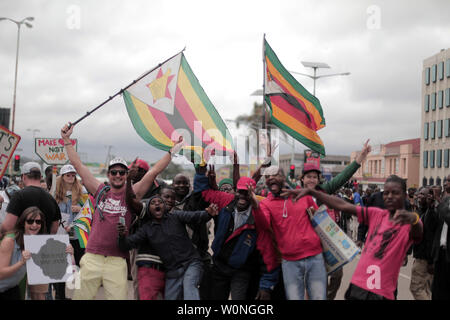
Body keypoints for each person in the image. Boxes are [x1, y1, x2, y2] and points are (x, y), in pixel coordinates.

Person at [60, 122, 184, 300]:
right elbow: (78, 165)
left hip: (117, 261)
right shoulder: (100, 190)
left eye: (121, 172)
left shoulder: (132, 194)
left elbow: (153, 172)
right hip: (92, 256)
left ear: (126, 175)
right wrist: (66, 139)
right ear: (109, 175)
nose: (118, 175)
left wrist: (173, 151)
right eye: (114, 172)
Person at [288, 175, 423, 300]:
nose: (389, 196)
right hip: (358, 286)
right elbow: (343, 205)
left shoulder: (410, 223)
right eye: (386, 193)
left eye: (395, 193)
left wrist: (414, 219)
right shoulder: (377, 214)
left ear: (404, 195)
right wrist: (313, 193)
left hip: (381, 292)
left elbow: (419, 233)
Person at [194, 164, 279, 300]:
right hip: (220, 265)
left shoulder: (260, 212)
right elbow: (203, 192)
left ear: (252, 194)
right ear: (235, 191)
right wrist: (200, 171)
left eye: (247, 193)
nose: (242, 196)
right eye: (240, 191)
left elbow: (267, 244)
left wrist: (266, 285)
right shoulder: (226, 200)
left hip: (242, 270)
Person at [118, 195, 219, 300]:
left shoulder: (176, 216)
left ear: (165, 207)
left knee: (189, 288)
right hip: (173, 272)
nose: (157, 204)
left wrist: (208, 213)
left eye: (160, 202)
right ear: (148, 210)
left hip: (192, 264)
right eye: (153, 203)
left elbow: (195, 216)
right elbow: (126, 245)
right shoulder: (146, 230)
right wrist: (121, 236)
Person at [0, 207, 73, 300]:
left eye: (38, 222)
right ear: (23, 223)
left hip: (12, 288)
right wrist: (21, 263)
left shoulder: (37, 243)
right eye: (30, 221)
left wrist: (68, 252)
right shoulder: (10, 241)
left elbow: (55, 265)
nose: (34, 225)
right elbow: (1, 274)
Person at [52, 164, 89, 299]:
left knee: (80, 265)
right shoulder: (55, 192)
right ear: (62, 177)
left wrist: (80, 210)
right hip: (60, 234)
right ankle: (60, 296)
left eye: (73, 175)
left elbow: (90, 211)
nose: (71, 177)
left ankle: (79, 295)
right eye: (68, 175)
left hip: (78, 235)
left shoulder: (82, 191)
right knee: (61, 267)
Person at [1, 162, 61, 238]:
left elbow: (8, 226)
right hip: (44, 245)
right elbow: (54, 229)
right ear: (41, 177)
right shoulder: (51, 198)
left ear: (23, 177)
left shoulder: (19, 196)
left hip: (22, 244)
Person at [409, 187, 434, 300]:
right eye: (419, 194)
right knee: (425, 289)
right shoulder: (419, 211)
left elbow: (430, 238)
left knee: (416, 288)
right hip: (420, 256)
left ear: (430, 197)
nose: (419, 197)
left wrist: (430, 261)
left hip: (424, 259)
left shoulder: (431, 213)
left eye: (423, 195)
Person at [430, 174, 450, 300]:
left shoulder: (443, 202)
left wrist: (438, 199)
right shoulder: (446, 201)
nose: (445, 183)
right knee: (436, 290)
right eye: (446, 180)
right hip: (440, 253)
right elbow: (434, 226)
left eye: (449, 181)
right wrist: (431, 204)